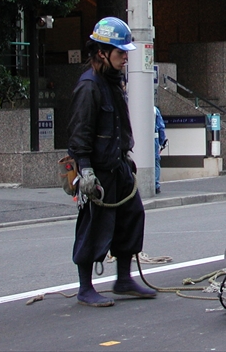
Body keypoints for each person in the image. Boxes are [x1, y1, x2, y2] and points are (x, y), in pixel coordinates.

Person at [66, 17, 157, 307]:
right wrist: (86, 170)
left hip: (118, 165)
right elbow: (79, 133)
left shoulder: (113, 82)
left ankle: (123, 279)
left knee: (132, 215)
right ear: (102, 52)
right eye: (121, 53)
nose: (125, 59)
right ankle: (85, 288)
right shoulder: (89, 87)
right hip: (98, 170)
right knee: (94, 225)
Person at [154, 106, 167, 194]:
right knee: (155, 162)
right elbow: (161, 127)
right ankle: (155, 185)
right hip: (153, 140)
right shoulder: (155, 110)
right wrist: (162, 142)